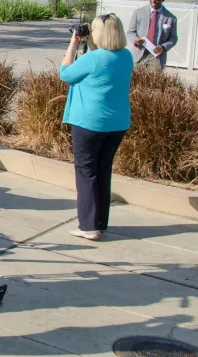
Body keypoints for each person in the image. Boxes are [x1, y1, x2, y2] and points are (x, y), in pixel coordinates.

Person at [60, 14, 133, 241]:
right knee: (103, 170)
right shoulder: (126, 56)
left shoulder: (94, 59)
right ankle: (100, 222)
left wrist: (74, 43)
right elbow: (100, 56)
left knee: (86, 172)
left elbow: (65, 73)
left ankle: (88, 226)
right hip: (117, 123)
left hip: (90, 122)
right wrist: (90, 43)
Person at [126, 0, 178, 69]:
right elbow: (130, 32)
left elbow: (173, 38)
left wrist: (164, 46)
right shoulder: (138, 12)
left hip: (157, 57)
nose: (153, 1)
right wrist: (136, 40)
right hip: (139, 54)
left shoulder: (171, 18)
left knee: (154, 81)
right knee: (135, 81)